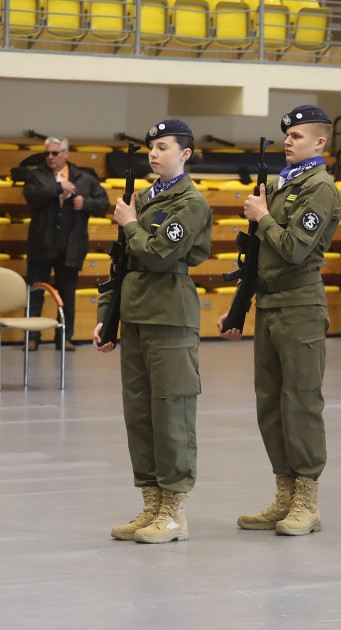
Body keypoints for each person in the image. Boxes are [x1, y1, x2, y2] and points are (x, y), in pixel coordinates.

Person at [222, 105, 341, 537]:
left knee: (301, 402)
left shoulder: (320, 188)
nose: (288, 141)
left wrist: (264, 216)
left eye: (296, 135)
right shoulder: (280, 185)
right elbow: (259, 258)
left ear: (319, 143)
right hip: (271, 305)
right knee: (270, 403)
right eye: (286, 135)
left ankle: (307, 500)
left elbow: (293, 249)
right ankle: (285, 493)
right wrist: (240, 304)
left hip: (301, 306)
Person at [96, 120, 212, 544]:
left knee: (172, 413)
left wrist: (129, 223)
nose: (154, 152)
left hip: (169, 313)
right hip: (136, 314)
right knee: (140, 414)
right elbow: (120, 263)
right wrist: (108, 314)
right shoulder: (143, 198)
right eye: (151, 146)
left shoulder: (190, 202)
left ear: (185, 153)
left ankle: (175, 510)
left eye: (164, 146)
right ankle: (151, 505)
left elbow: (160, 254)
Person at [22, 136, 109, 350]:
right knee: (35, 293)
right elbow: (31, 196)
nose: (50, 157)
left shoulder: (84, 178)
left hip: (71, 246)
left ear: (66, 153)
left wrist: (85, 202)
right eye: (47, 153)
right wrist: (58, 187)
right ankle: (32, 337)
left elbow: (103, 203)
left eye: (55, 153)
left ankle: (64, 337)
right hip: (42, 244)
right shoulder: (36, 175)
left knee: (67, 296)